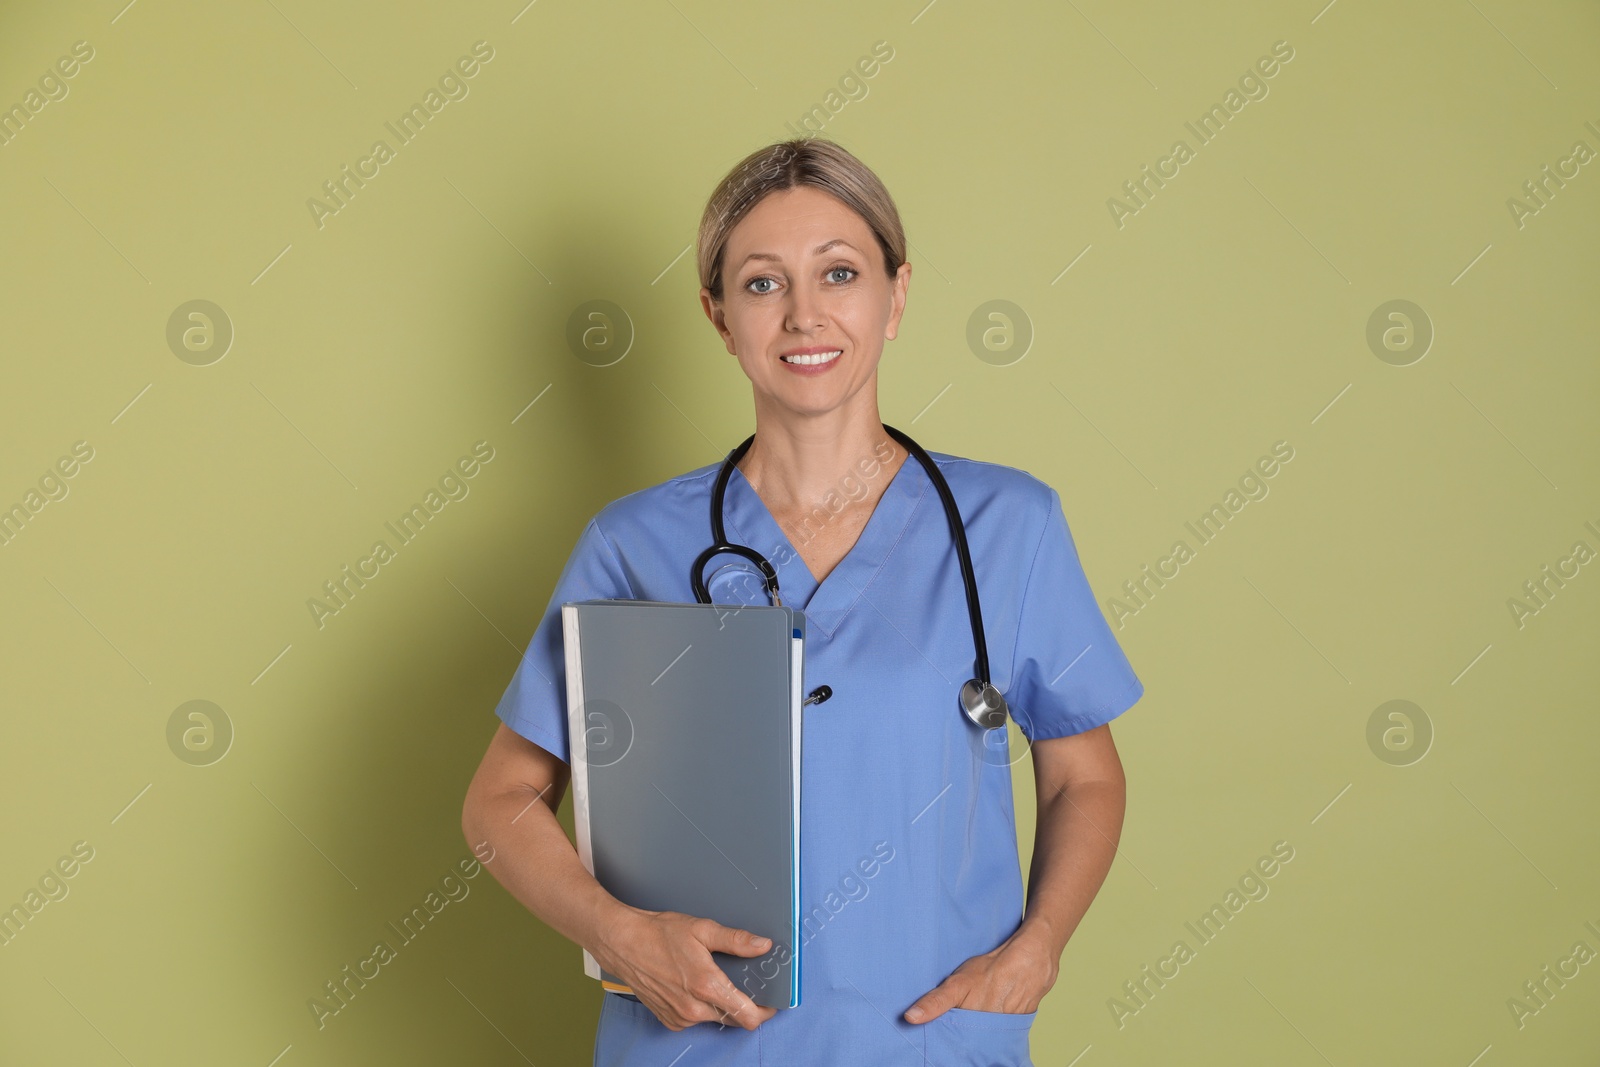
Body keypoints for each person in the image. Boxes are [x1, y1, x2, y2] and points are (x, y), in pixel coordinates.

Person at [461, 137, 1144, 1067]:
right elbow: (499, 799)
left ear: (896, 296)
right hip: (700, 1045)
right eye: (762, 284)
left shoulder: (1008, 526)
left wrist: (1039, 948)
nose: (804, 314)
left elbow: (1082, 776)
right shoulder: (633, 545)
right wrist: (620, 936)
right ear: (717, 316)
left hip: (927, 1041)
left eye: (839, 272)